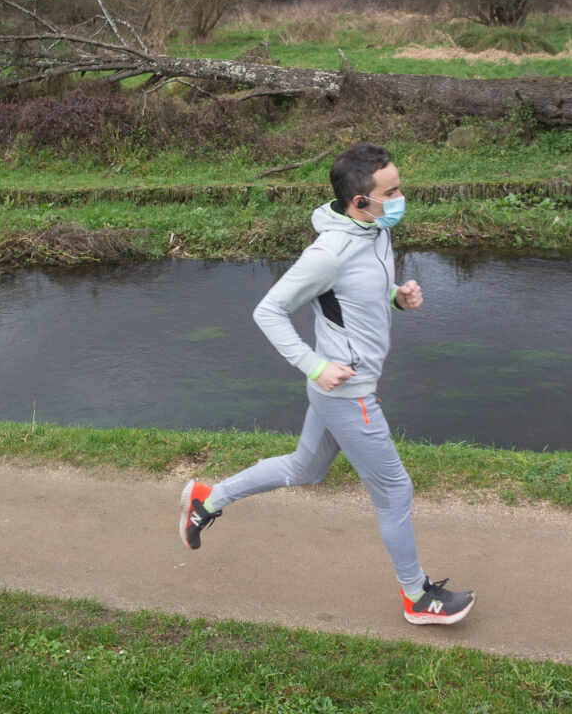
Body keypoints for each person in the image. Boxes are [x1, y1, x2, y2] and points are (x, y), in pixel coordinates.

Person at [178, 142, 475, 626]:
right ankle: (417, 597)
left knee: (305, 468)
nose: (401, 198)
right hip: (346, 391)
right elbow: (267, 311)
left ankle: (207, 500)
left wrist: (397, 298)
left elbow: (356, 297)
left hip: (342, 386)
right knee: (396, 492)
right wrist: (314, 365)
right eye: (392, 191)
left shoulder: (374, 229)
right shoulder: (327, 253)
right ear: (360, 200)